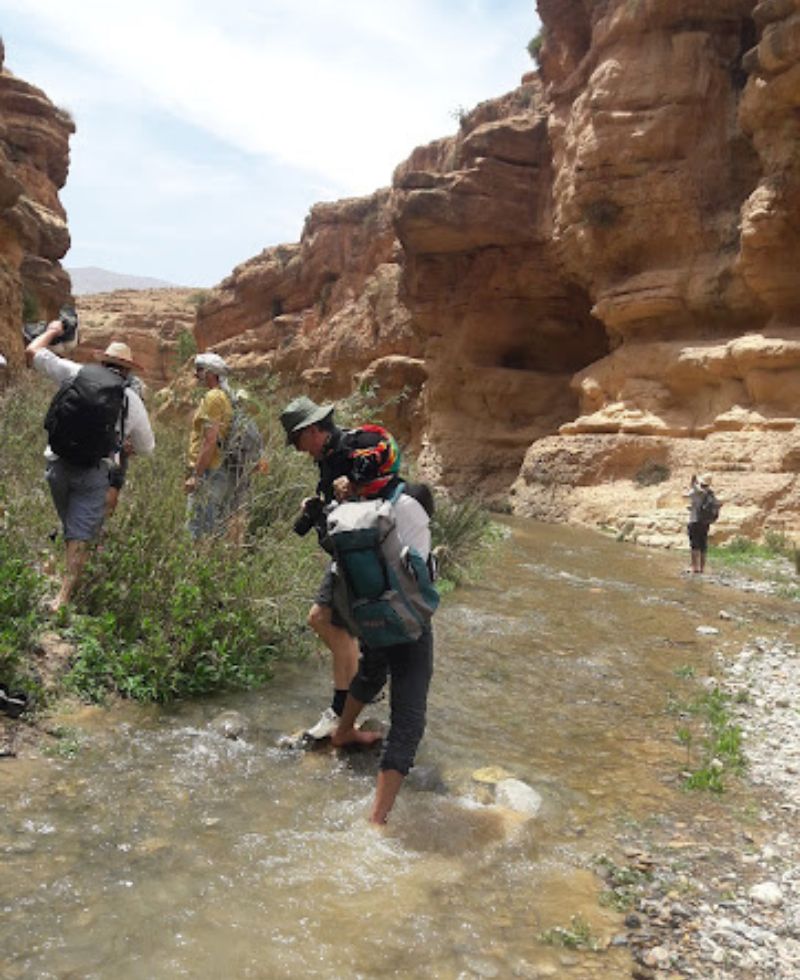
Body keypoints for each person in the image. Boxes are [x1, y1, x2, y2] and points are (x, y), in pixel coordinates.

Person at [280, 396, 403, 739]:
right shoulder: (328, 459)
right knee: (333, 624)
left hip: (366, 555)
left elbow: (383, 496)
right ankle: (351, 705)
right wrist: (318, 506)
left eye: (298, 441)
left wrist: (354, 487)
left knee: (324, 619)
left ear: (312, 430)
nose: (300, 450)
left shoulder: (354, 449)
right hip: (350, 556)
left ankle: (342, 712)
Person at [329, 468, 436, 825]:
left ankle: (343, 731)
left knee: (372, 672)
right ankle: (377, 819)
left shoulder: (355, 507)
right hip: (407, 623)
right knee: (408, 718)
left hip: (368, 614)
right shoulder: (412, 507)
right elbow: (421, 574)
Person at [25, 325, 155, 611]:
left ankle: (62, 574)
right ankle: (64, 597)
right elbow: (147, 447)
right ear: (128, 370)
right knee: (81, 534)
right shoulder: (131, 399)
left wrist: (52, 330)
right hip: (94, 472)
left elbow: (32, 352)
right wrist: (125, 443)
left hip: (57, 464)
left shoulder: (75, 372)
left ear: (103, 361)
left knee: (71, 526)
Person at [185, 352, 235, 539]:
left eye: (200, 370)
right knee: (211, 528)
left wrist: (196, 475)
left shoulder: (213, 397)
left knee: (197, 532)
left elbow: (210, 440)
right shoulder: (224, 397)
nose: (196, 374)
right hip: (217, 469)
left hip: (209, 472)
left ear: (211, 373)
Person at [684, 473, 714, 574]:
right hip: (705, 522)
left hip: (695, 521)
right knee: (703, 545)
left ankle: (694, 567)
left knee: (694, 545)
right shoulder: (710, 493)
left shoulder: (697, 491)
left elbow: (692, 486)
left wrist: (693, 478)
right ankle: (702, 567)